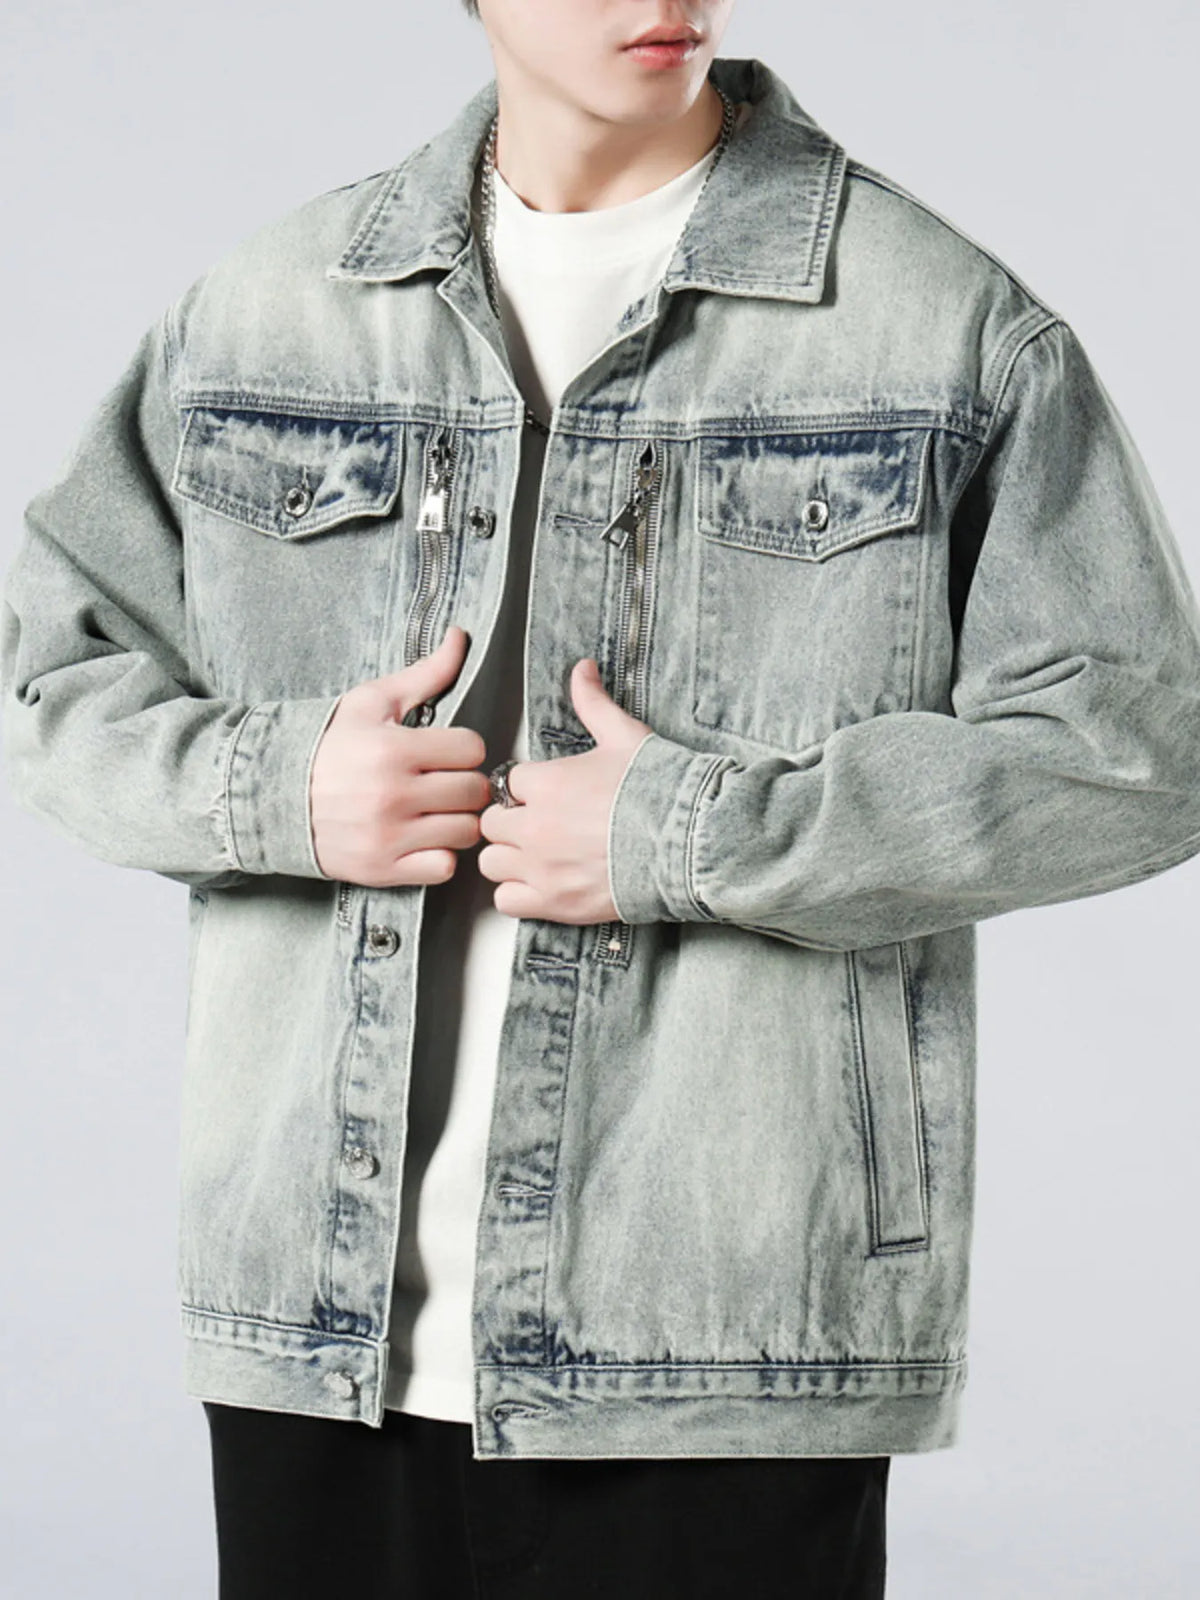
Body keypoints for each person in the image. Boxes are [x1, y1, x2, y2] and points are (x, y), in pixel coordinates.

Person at [4, 1, 1200, 1595]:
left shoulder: (936, 324)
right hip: (318, 1321)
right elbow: (51, 675)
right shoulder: (270, 313)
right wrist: (278, 790)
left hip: (725, 1332)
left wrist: (693, 834)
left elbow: (1140, 747)